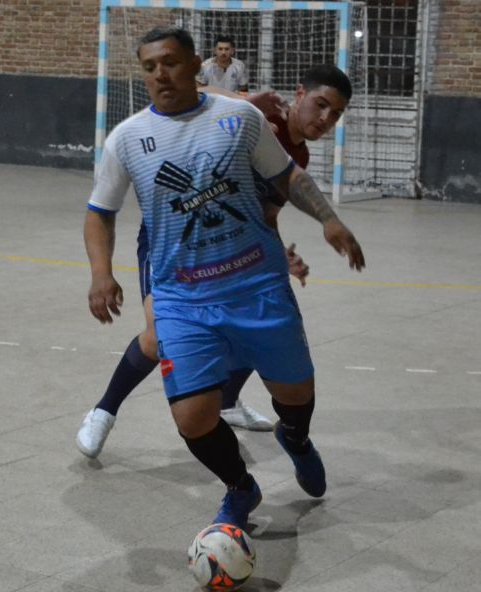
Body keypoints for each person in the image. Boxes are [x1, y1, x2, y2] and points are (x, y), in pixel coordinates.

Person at [83, 26, 364, 529]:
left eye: (170, 62)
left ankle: (294, 437)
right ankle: (240, 486)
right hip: (182, 292)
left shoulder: (241, 120)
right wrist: (100, 273)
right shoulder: (127, 138)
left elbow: (286, 180)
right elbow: (100, 212)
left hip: (254, 283)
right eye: (149, 67)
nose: (160, 74)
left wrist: (328, 219)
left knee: (295, 394)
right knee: (192, 416)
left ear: (193, 64)